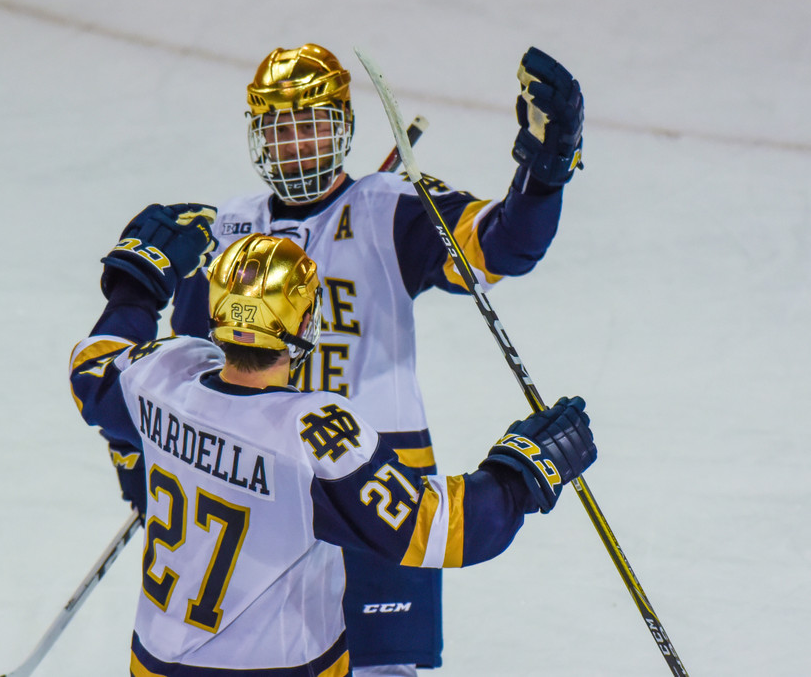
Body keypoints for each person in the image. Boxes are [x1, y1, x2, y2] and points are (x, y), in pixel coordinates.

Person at [99, 44, 585, 674]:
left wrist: (542, 176)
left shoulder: (391, 206)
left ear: (343, 127)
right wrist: (141, 461)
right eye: (280, 127)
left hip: (380, 484)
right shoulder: (229, 233)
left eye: (312, 124)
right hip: (262, 497)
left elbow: (502, 247)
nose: (297, 143)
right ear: (258, 136)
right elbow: (183, 374)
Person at [70, 210, 597, 676]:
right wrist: (523, 473)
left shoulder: (161, 374)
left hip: (155, 661)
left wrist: (137, 285)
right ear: (304, 325)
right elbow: (439, 530)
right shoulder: (310, 432)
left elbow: (91, 370)